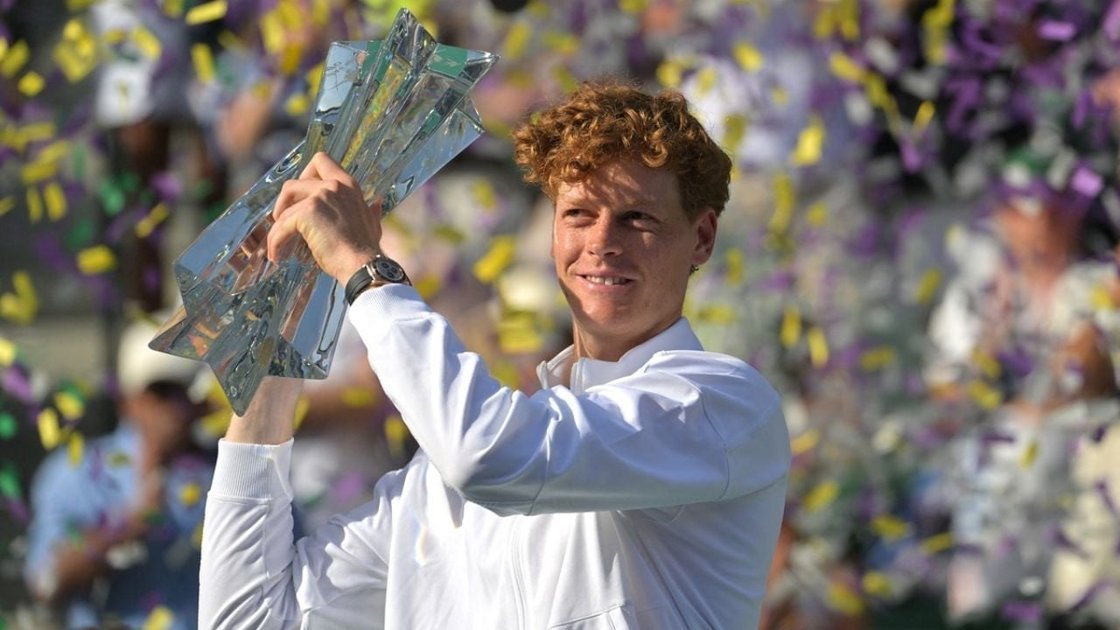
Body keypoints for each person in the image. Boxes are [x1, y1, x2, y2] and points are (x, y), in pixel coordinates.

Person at [198, 79, 791, 628]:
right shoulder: (441, 478)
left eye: (638, 218)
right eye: (578, 214)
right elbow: (250, 619)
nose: (601, 243)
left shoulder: (722, 404)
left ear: (702, 238)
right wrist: (283, 326)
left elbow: (489, 456)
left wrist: (362, 268)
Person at [23, 315, 215, 630]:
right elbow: (47, 582)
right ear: (128, 401)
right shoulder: (75, 473)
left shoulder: (231, 474)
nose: (175, 408)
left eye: (185, 392)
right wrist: (128, 525)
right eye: (161, 392)